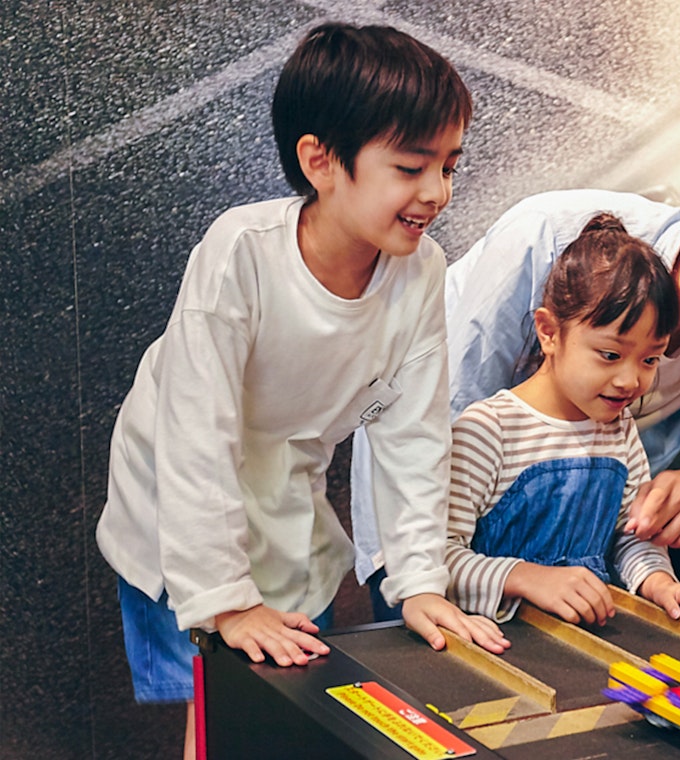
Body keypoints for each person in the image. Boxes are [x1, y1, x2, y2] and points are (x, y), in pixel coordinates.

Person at [95, 23, 507, 758]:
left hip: (289, 492)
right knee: (214, 701)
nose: (437, 193)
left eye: (450, 166)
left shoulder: (421, 271)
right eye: (412, 167)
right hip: (176, 500)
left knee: (283, 690)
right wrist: (226, 602)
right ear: (320, 161)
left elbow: (411, 433)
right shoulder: (241, 253)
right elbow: (197, 432)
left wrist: (420, 582)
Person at [354, 140, 680, 618]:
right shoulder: (546, 235)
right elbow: (440, 418)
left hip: (573, 582)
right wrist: (430, 578)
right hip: (429, 526)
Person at [444, 214, 680, 628]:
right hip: (488, 646)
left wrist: (660, 582)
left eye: (650, 359)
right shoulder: (486, 431)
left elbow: (629, 536)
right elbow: (438, 560)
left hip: (581, 646)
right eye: (610, 355)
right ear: (548, 332)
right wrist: (524, 577)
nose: (631, 380)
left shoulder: (620, 430)